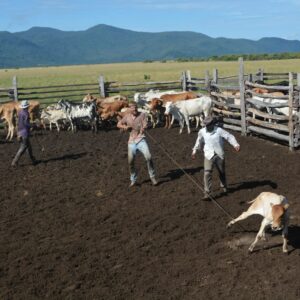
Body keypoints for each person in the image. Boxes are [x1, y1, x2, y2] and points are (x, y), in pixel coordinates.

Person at [191, 116, 240, 200]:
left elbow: (229, 136)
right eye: (206, 125)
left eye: (209, 124)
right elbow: (199, 141)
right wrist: (194, 151)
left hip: (219, 154)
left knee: (221, 172)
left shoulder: (219, 130)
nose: (207, 126)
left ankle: (224, 186)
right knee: (207, 173)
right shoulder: (202, 132)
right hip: (208, 154)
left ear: (213, 124)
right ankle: (207, 193)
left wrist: (235, 144)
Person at [117, 102, 158, 187]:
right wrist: (125, 127)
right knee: (130, 161)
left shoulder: (142, 115)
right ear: (130, 109)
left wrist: (143, 128)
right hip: (131, 141)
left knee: (149, 157)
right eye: (132, 108)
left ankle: (152, 176)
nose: (134, 109)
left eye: (135, 107)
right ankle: (133, 179)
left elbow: (145, 124)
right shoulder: (127, 117)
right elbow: (118, 124)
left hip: (141, 139)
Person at [11, 100, 38, 167]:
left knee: (28, 147)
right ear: (27, 107)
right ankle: (14, 161)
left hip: (20, 131)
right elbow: (26, 123)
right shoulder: (26, 113)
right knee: (23, 147)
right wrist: (32, 125)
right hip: (24, 133)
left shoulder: (20, 112)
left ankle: (33, 160)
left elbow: (20, 122)